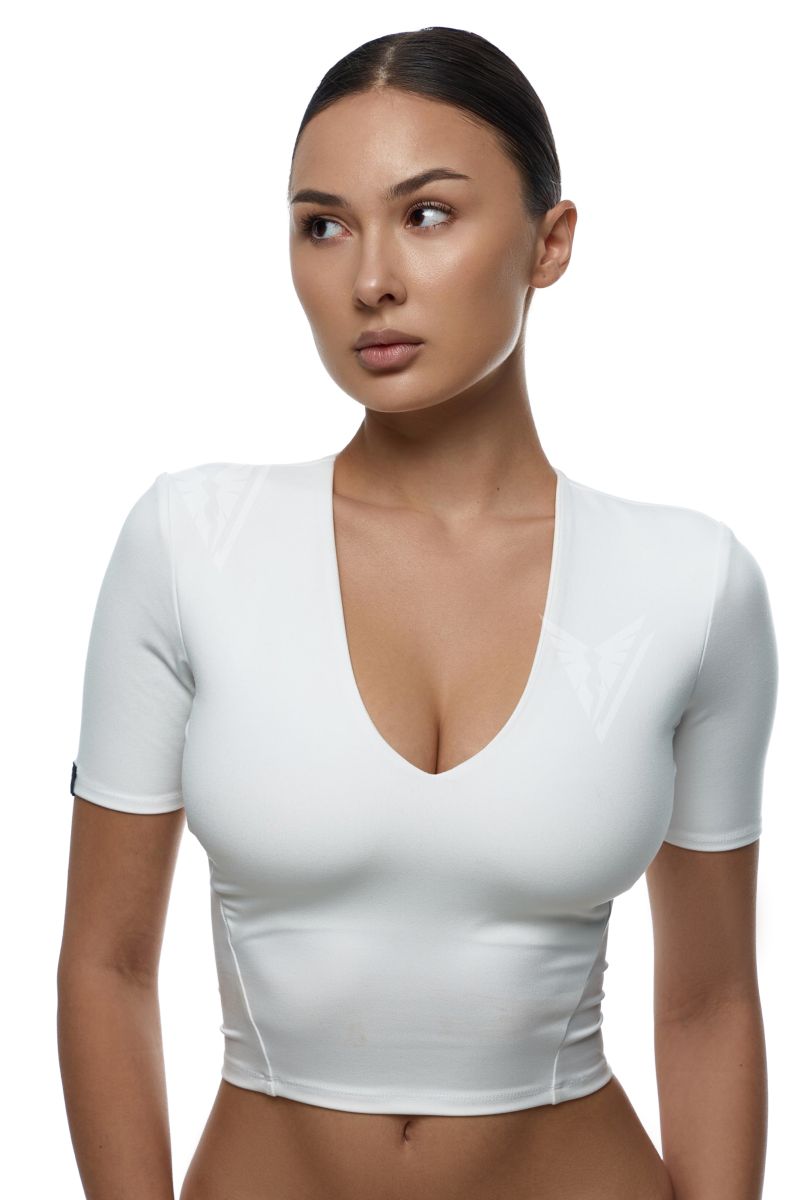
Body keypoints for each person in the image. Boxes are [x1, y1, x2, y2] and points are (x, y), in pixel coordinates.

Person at [58, 26, 778, 1200]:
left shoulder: (689, 583)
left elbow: (707, 1001)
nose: (369, 280)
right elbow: (104, 965)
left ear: (549, 242)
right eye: (323, 225)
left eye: (426, 214)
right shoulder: (191, 545)